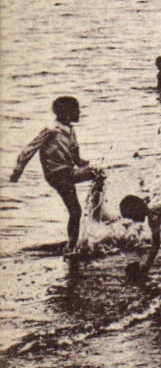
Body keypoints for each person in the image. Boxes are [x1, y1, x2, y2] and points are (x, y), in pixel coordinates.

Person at [10, 96, 103, 253]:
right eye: (77, 110)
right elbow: (29, 149)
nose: (80, 113)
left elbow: (75, 157)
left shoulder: (71, 131)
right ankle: (73, 245)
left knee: (97, 175)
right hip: (57, 174)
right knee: (76, 210)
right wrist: (18, 170)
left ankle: (94, 214)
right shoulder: (51, 129)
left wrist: (84, 164)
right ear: (67, 114)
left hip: (67, 172)